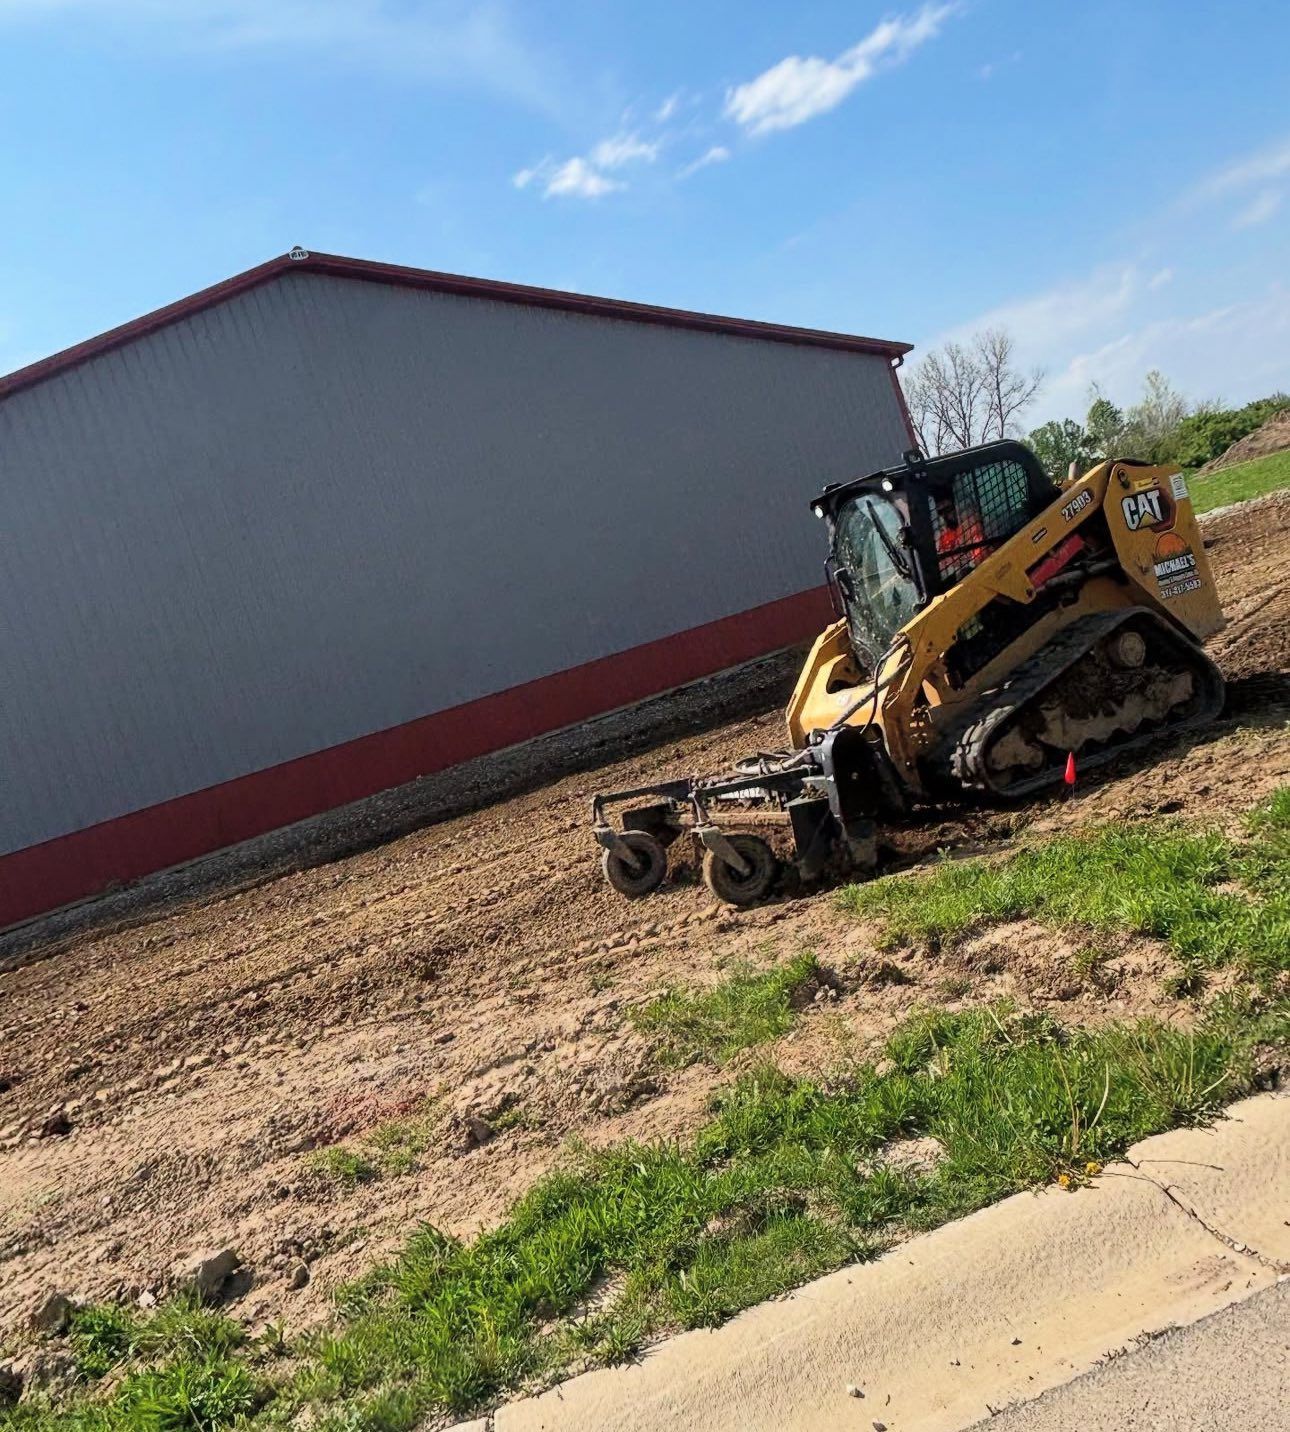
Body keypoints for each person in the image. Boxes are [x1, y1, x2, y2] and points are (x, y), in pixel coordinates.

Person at [935, 490, 990, 581]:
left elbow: (980, 551)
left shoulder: (971, 524)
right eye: (941, 512)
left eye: (948, 510)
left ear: (955, 507)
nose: (945, 516)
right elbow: (941, 567)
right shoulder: (943, 539)